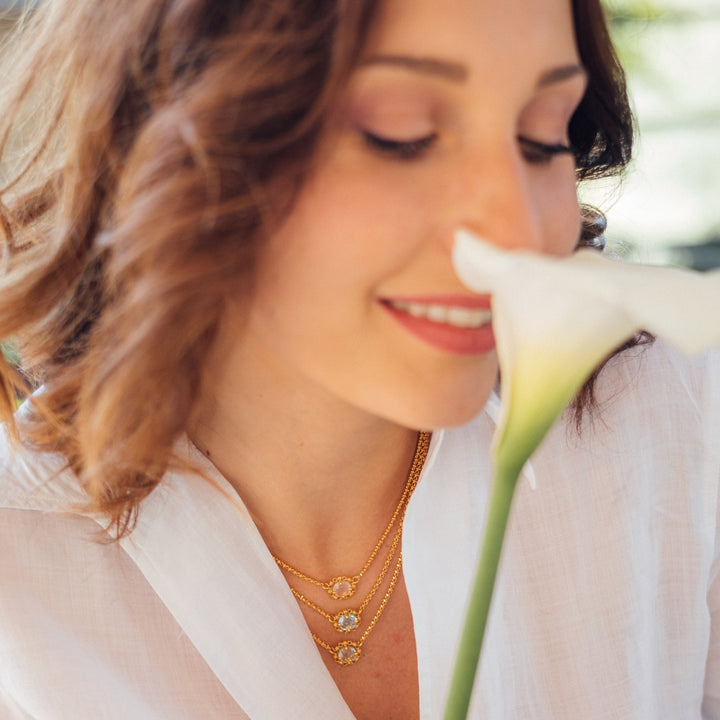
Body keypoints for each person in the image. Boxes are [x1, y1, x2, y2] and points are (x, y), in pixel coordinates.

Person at [0, 0, 717, 717]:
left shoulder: (683, 435)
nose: (518, 230)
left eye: (541, 137)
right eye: (401, 135)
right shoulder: (23, 588)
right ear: (170, 136)